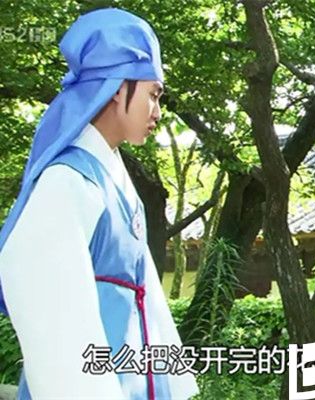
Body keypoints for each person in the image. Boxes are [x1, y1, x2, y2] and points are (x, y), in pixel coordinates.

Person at [0, 8, 199, 399]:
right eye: (153, 94)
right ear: (117, 88)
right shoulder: (67, 182)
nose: (157, 112)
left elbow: (146, 300)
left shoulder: (112, 181)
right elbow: (54, 318)